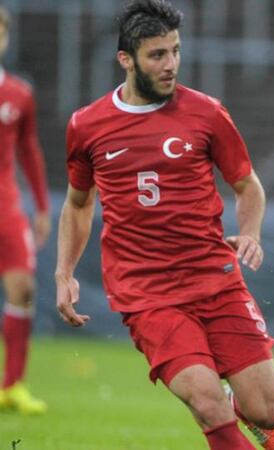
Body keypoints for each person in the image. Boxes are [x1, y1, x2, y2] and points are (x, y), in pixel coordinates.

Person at [54, 1, 274, 449]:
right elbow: (78, 204)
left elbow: (248, 186)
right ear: (126, 59)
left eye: (175, 51)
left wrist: (252, 233)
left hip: (215, 278)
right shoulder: (87, 125)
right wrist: (64, 272)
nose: (171, 65)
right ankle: (215, 400)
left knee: (266, 410)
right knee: (207, 402)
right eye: (157, 55)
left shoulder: (206, 113)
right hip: (146, 293)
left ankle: (250, 412)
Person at [0, 6, 50, 416]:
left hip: (7, 206)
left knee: (24, 290)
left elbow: (29, 151)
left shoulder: (19, 93)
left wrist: (42, 207)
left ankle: (12, 386)